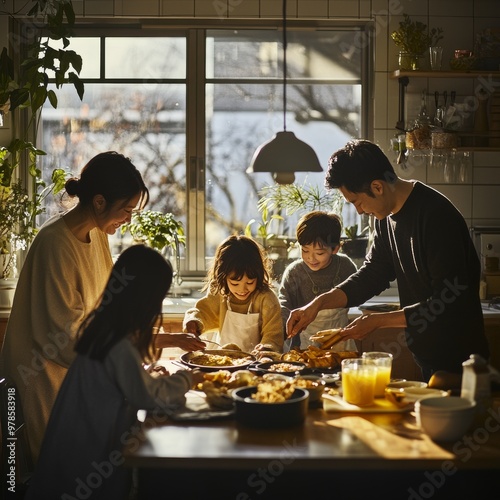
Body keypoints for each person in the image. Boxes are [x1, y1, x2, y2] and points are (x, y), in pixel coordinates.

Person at [0, 150, 202, 463]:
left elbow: (104, 320)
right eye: (125, 209)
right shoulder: (55, 244)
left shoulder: (96, 235)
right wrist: (131, 363)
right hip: (43, 381)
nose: (128, 218)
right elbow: (65, 337)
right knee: (67, 468)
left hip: (77, 373)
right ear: (98, 202)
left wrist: (162, 340)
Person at [287, 139, 490, 381]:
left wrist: (378, 322)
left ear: (378, 186)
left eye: (357, 202)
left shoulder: (436, 217)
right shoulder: (383, 218)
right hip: (428, 357)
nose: (360, 211)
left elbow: (447, 303)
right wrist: (318, 304)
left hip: (463, 361)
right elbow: (374, 273)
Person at [24, 244, 204, 500]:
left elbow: (126, 381)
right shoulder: (117, 343)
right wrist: (188, 378)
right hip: (84, 463)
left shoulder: (105, 328)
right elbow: (146, 396)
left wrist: (148, 373)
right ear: (144, 299)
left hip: (74, 450)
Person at [184, 235, 284, 353]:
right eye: (235, 283)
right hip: (224, 359)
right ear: (223, 277)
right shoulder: (219, 292)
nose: (243, 289)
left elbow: (273, 334)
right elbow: (204, 313)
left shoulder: (266, 298)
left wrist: (267, 348)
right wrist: (193, 322)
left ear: (259, 275)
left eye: (250, 282)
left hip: (256, 362)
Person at [279, 211, 357, 351]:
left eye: (319, 253)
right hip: (302, 346)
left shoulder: (346, 266)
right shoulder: (294, 272)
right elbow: (284, 304)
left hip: (341, 344)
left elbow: (357, 294)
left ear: (335, 248)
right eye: (305, 250)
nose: (311, 258)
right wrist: (282, 330)